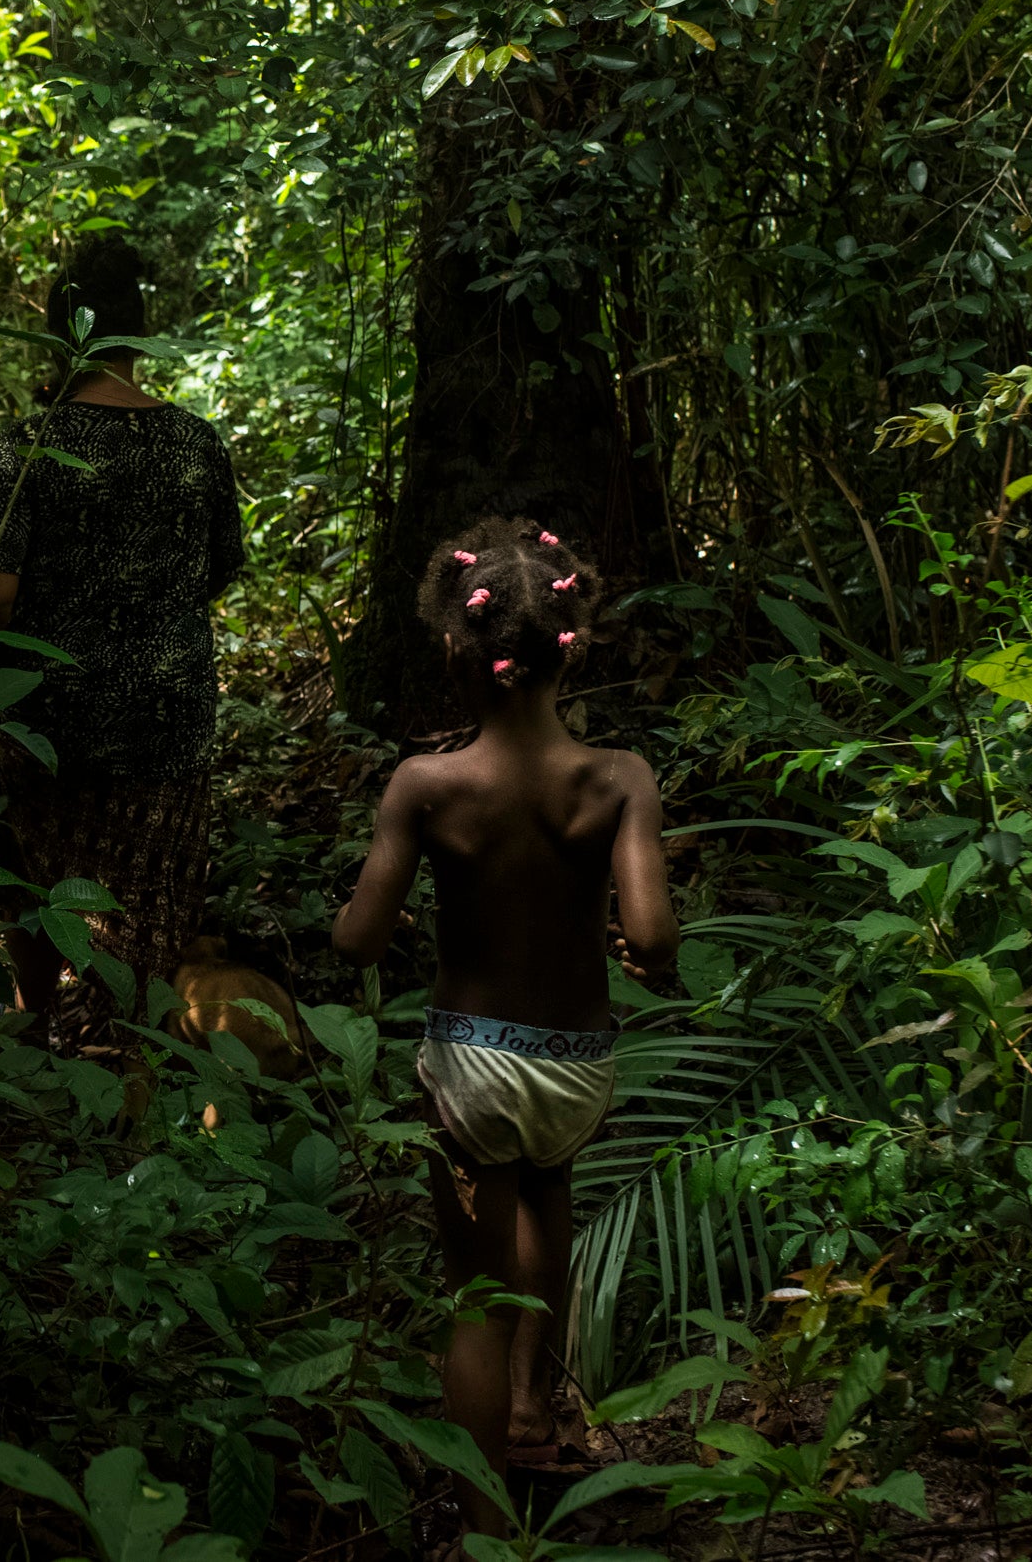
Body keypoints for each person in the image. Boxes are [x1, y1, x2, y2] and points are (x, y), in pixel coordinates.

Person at [329, 517, 677, 1535]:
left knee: (474, 1291)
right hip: (577, 1069)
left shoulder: (426, 785)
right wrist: (644, 951)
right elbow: (651, 931)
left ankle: (478, 1515)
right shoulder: (620, 777)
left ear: (455, 649)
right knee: (550, 1202)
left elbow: (358, 940)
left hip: (471, 1070)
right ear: (575, 644)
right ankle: (537, 1409)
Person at [0, 238, 244, 1048]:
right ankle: (134, 1038)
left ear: (62, 335)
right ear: (138, 337)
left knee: (21, 853)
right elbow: (218, 570)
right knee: (151, 881)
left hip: (52, 712)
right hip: (166, 710)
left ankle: (40, 1013)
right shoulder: (196, 445)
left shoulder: (28, 446)